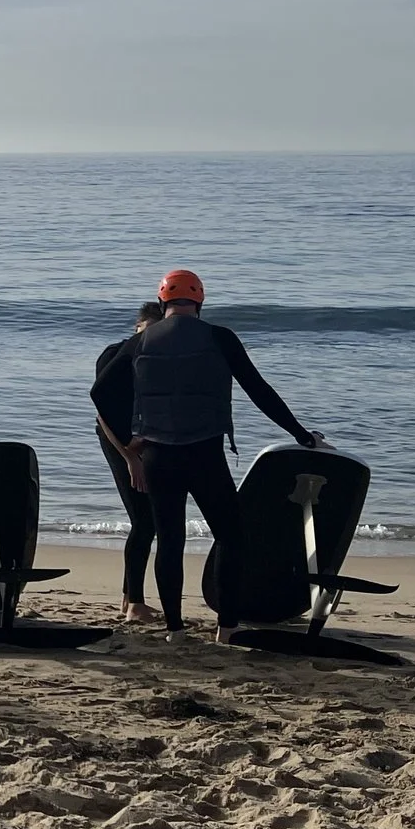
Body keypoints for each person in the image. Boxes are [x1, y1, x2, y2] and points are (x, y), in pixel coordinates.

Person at [90, 270, 326, 639]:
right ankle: (227, 627)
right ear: (200, 301)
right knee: (230, 537)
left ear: (163, 302)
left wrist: (129, 440)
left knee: (170, 541)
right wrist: (301, 435)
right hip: (205, 456)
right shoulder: (219, 337)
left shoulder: (140, 341)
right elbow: (258, 390)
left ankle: (175, 629)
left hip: (158, 457)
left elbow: (100, 392)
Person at [94, 300, 166, 626]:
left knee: (150, 520)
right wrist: (130, 458)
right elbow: (103, 414)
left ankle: (129, 599)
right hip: (116, 439)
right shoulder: (115, 355)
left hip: (146, 440)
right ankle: (134, 604)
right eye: (145, 331)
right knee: (144, 521)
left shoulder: (161, 360)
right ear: (136, 328)